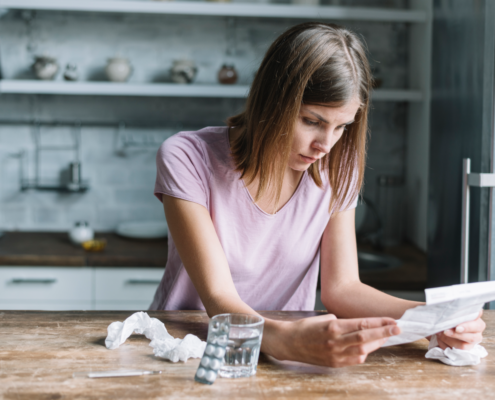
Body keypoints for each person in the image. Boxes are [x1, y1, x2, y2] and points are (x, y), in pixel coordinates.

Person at [150, 22, 485, 367]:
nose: (325, 145)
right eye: (312, 121)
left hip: (288, 354)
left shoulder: (339, 168)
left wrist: (433, 320)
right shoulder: (186, 156)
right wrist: (287, 341)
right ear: (272, 102)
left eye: (342, 127)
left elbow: (343, 289)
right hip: (187, 349)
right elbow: (218, 297)